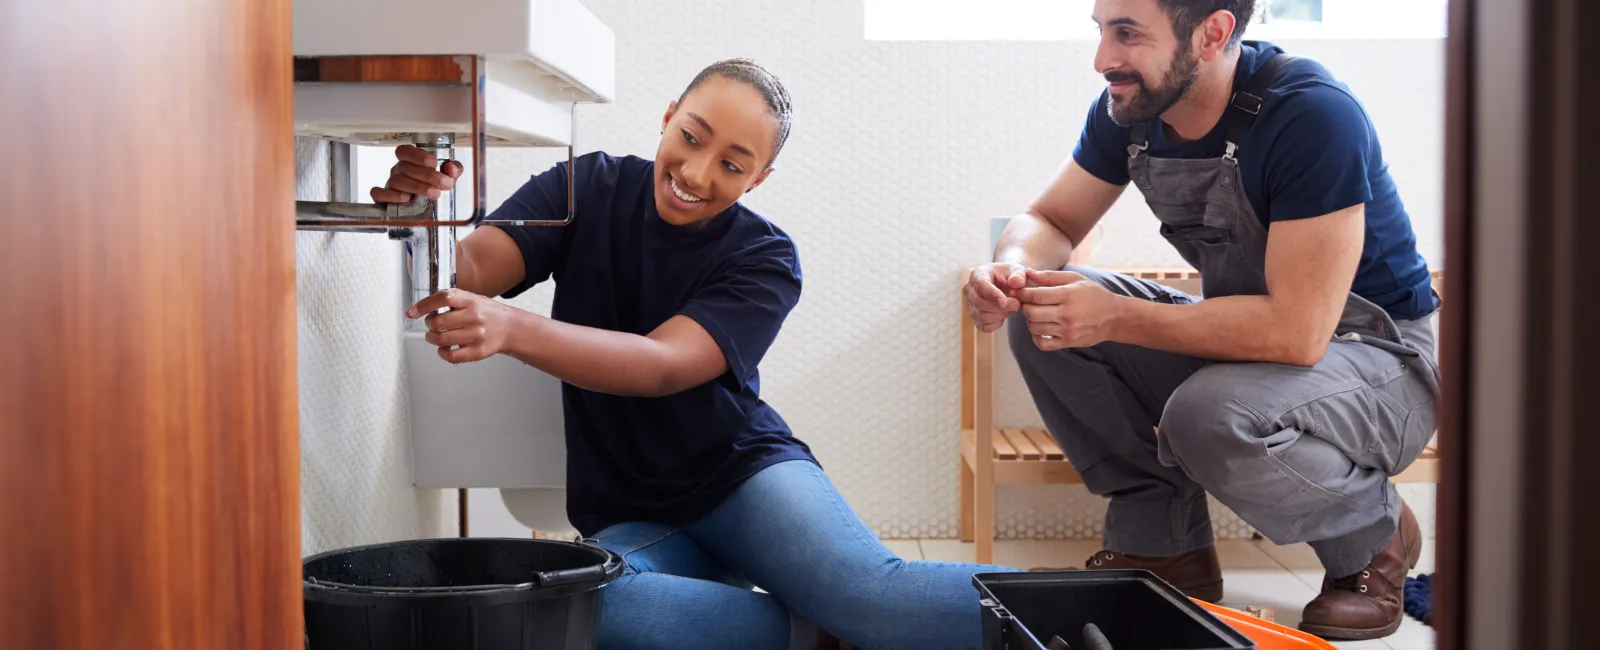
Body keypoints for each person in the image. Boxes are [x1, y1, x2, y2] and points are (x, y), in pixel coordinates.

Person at [382, 58, 1017, 650]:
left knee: (874, 597)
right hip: (629, 506)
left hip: (742, 478)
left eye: (733, 165)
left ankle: (1102, 607)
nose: (696, 173)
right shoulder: (585, 188)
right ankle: (816, 632)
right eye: (692, 137)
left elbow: (662, 365)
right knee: (589, 604)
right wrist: (422, 213)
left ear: (760, 178)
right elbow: (468, 272)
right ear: (668, 116)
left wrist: (515, 329)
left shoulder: (765, 258)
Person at [962, 0, 1437, 642]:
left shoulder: (1312, 114)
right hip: (1255, 345)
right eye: (1101, 31)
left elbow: (1298, 333)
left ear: (1212, 33)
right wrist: (1013, 273)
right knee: (1045, 316)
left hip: (1378, 360)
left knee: (1206, 414)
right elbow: (1052, 222)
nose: (1103, 59)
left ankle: (1371, 537)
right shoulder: (1133, 109)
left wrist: (1118, 318)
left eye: (1127, 34)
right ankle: (1166, 548)